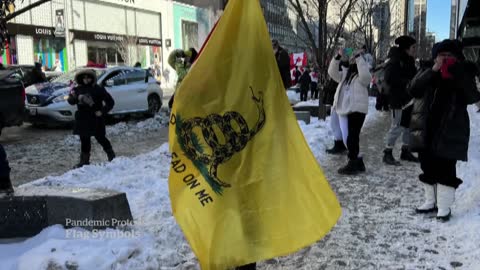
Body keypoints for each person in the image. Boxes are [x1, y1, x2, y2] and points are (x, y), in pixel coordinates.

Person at [408, 39, 480, 221]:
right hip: (425, 127)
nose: (445, 59)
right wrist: (433, 70)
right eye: (442, 55)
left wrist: (458, 73)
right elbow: (413, 89)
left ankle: (444, 206)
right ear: (435, 57)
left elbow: (472, 96)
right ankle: (430, 201)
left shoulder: (464, 73)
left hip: (450, 128)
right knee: (427, 165)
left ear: (457, 57)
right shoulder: (426, 69)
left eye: (449, 55)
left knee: (446, 168)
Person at [328, 47, 372, 175]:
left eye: (355, 57)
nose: (352, 58)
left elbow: (366, 78)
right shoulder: (345, 74)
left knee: (352, 136)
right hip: (345, 108)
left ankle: (352, 163)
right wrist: (337, 57)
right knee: (348, 138)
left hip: (357, 109)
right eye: (352, 57)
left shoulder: (362, 73)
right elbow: (332, 72)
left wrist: (359, 58)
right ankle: (358, 162)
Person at [68, 69, 116, 168]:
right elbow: (71, 101)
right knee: (84, 140)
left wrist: (102, 111)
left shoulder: (98, 89)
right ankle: (84, 161)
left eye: (88, 77)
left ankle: (112, 157)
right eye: (84, 77)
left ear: (92, 78)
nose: (86, 79)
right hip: (83, 119)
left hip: (95, 118)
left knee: (101, 138)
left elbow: (110, 102)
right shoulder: (77, 89)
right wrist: (73, 97)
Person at [382, 36, 418, 165]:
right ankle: (387, 152)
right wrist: (407, 82)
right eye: (413, 47)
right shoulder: (395, 60)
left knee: (408, 125)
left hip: (408, 99)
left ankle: (405, 151)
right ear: (406, 48)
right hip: (398, 99)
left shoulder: (409, 60)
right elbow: (389, 78)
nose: (415, 50)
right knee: (397, 126)